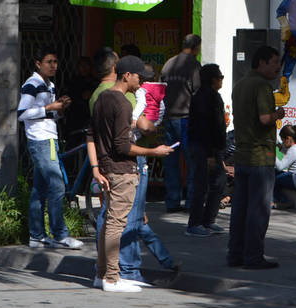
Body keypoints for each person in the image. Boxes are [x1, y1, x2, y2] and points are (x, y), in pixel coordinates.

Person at [90, 55, 174, 293]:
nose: (142, 83)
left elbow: (91, 135)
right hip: (122, 170)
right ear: (127, 75)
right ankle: (112, 278)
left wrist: (96, 168)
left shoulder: (102, 98)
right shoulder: (123, 104)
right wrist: (154, 151)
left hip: (107, 168)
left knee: (109, 223)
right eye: (139, 77)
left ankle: (101, 274)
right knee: (116, 224)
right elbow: (123, 146)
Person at [227, 45, 287, 269]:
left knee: (240, 209)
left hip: (242, 155)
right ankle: (253, 257)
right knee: (258, 210)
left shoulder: (240, 84)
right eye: (274, 63)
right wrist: (278, 114)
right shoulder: (262, 86)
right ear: (261, 62)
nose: (278, 68)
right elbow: (264, 119)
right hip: (260, 156)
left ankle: (235, 254)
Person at [18, 48, 83, 250]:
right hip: (40, 140)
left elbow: (49, 116)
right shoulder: (32, 84)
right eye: (49, 62)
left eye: (55, 61)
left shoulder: (50, 85)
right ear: (38, 64)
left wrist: (59, 109)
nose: (53, 65)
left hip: (49, 137)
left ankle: (37, 236)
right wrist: (49, 108)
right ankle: (60, 235)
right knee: (57, 185)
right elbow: (22, 113)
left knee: (41, 188)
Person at [160, 34, 202, 211]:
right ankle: (191, 202)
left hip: (169, 119)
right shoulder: (194, 65)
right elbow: (198, 92)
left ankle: (172, 201)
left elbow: (161, 89)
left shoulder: (169, 63)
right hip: (186, 119)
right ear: (196, 47)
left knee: (171, 162)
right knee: (193, 162)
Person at [185, 64, 227, 236]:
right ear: (213, 79)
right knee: (201, 185)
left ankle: (208, 220)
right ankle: (194, 223)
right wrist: (210, 154)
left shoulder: (214, 96)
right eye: (220, 77)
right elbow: (204, 127)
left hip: (213, 148)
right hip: (203, 148)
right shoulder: (203, 98)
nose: (222, 80)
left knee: (219, 183)